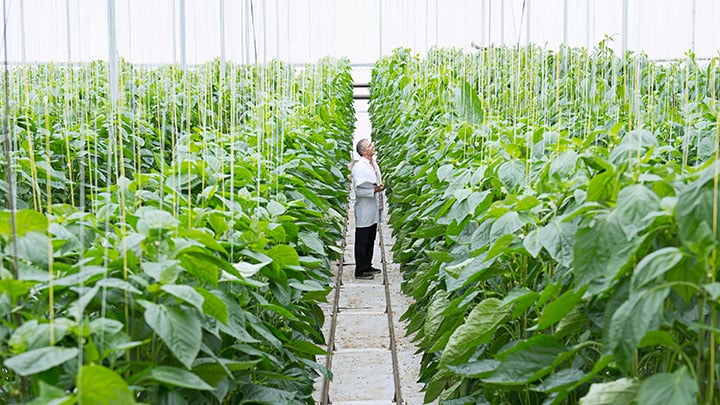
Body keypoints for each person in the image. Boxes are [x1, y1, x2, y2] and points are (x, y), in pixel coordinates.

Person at [351, 138, 385, 280]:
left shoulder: (373, 163)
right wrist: (374, 190)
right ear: (364, 151)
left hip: (373, 207)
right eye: (370, 145)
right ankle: (360, 270)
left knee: (371, 237)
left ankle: (367, 265)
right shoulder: (359, 167)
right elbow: (358, 191)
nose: (373, 146)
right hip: (364, 208)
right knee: (362, 239)